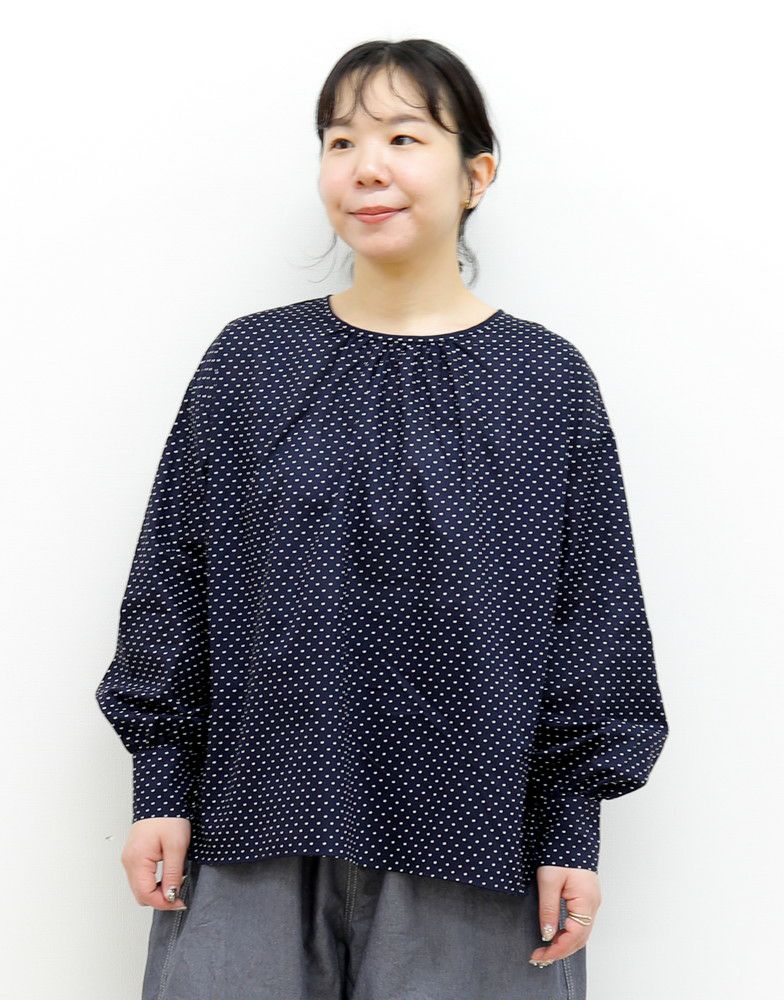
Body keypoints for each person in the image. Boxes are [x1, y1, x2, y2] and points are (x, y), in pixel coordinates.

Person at [95, 38, 669, 1000]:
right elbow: (173, 581)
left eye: (404, 137)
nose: (366, 167)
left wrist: (572, 829)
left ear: (476, 173)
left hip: (476, 843)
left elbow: (593, 617)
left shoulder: (545, 382)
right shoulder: (251, 363)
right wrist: (160, 785)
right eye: (340, 140)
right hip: (253, 827)